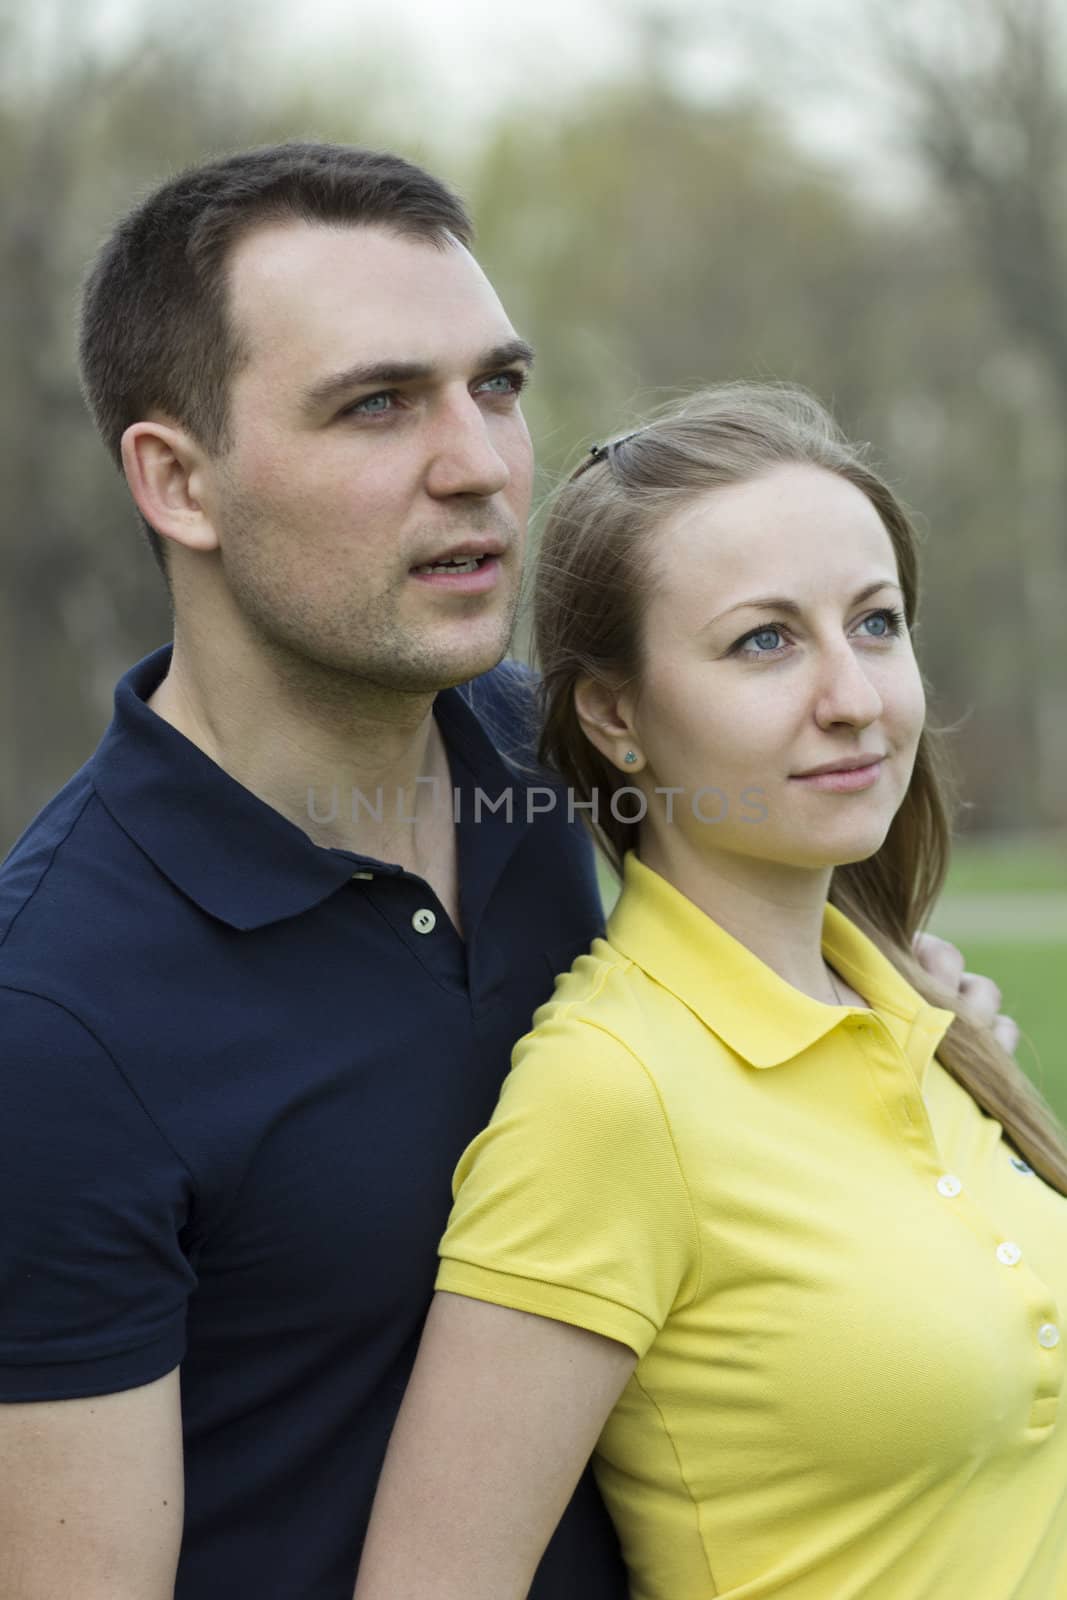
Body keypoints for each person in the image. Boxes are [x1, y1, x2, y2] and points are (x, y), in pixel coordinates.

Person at [0, 145, 1009, 1600]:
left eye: (497, 386)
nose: (478, 464)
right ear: (178, 480)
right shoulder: (54, 1022)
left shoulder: (528, 751)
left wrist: (907, 1033)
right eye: (376, 404)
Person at [351, 384, 1067, 1600]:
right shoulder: (610, 1094)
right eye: (764, 641)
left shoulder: (920, 1013)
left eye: (876, 622)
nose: (853, 697)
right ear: (616, 717)